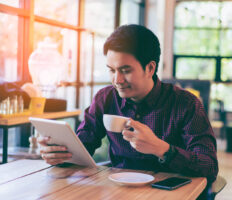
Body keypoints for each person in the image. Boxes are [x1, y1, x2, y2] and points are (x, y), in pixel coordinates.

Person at [38, 24, 218, 185]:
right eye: (111, 70)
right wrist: (58, 153)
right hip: (118, 189)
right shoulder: (105, 98)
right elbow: (83, 146)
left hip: (170, 193)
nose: (117, 80)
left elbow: (209, 166)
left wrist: (161, 148)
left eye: (125, 71)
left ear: (150, 68)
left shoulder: (186, 104)